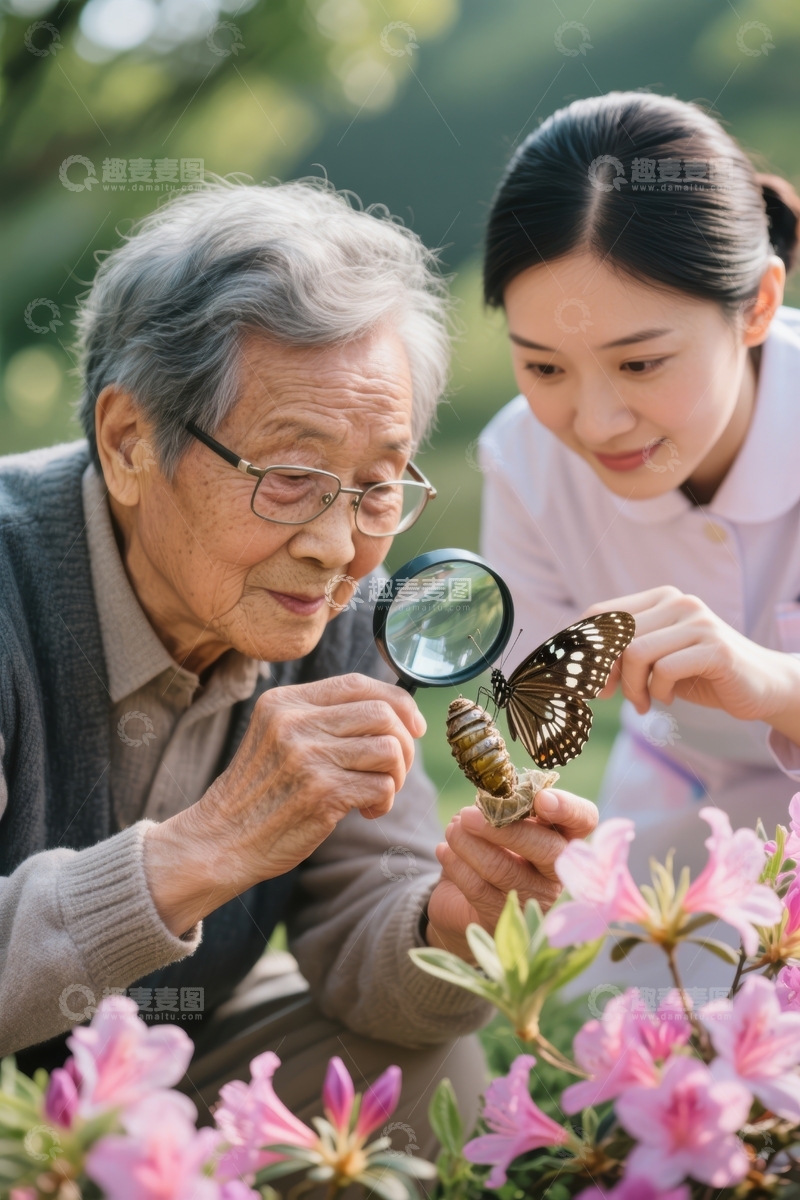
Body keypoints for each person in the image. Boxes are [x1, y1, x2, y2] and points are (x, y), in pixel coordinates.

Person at [0, 179, 598, 1148]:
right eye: (289, 477)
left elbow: (364, 927)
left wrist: (453, 922)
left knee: (418, 1074)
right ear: (128, 442)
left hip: (156, 1057)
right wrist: (201, 849)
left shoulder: (345, 615)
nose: (336, 548)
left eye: (375, 486)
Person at [476, 92, 800, 991]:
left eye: (641, 363)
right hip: (681, 809)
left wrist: (771, 681)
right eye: (543, 366)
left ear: (757, 305)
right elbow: (531, 708)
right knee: (648, 1029)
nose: (595, 422)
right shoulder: (524, 460)